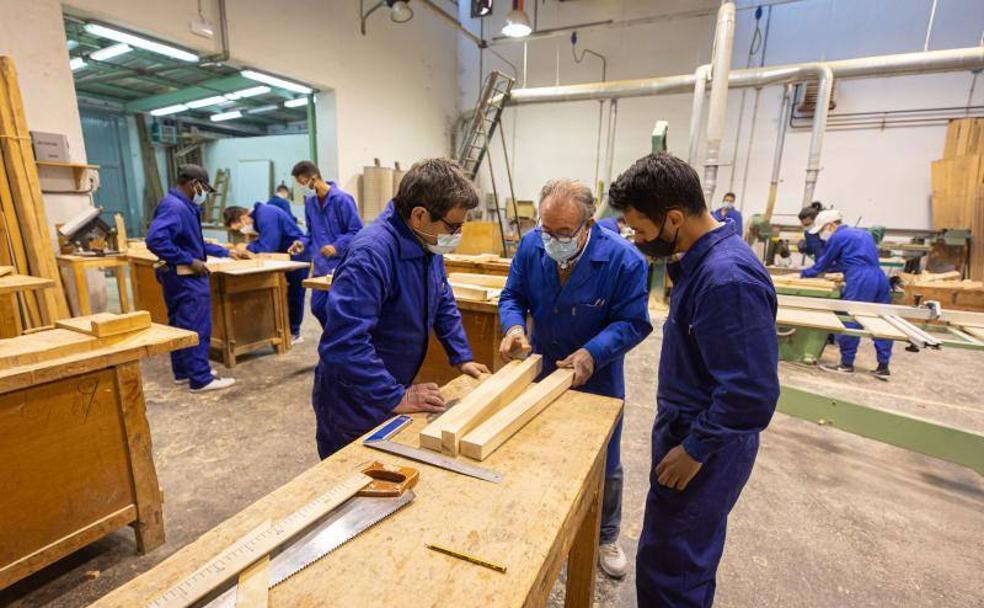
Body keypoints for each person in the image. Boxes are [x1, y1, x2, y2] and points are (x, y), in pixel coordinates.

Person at [609, 152, 779, 607]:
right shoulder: (704, 264)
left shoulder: (726, 280)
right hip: (692, 431)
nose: (639, 240)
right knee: (674, 551)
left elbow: (751, 393)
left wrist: (696, 449)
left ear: (674, 218)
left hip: (706, 444)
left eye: (642, 231)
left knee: (675, 564)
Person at [498, 179, 652, 578]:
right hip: (545, 370)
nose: (552, 239)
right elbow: (512, 295)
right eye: (546, 229)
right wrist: (514, 328)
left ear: (588, 225)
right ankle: (545, 525)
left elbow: (633, 322)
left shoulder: (624, 260)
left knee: (606, 464)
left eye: (563, 233)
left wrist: (592, 353)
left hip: (597, 376)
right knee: (541, 452)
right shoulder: (533, 245)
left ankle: (606, 534)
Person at [312, 158, 490, 458]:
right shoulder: (371, 255)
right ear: (420, 214)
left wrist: (462, 357)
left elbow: (442, 298)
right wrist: (393, 395)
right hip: (354, 399)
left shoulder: (426, 242)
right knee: (352, 482)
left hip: (385, 385)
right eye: (453, 226)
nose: (457, 235)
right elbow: (344, 343)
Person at [146, 164, 249, 392]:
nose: (204, 194)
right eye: (203, 188)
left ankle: (184, 372)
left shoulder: (181, 205)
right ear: (194, 184)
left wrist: (225, 252)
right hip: (185, 277)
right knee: (196, 325)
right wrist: (189, 260)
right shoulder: (175, 208)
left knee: (181, 326)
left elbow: (191, 241)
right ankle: (201, 379)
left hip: (175, 276)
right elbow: (156, 240)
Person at [801, 209, 893, 376]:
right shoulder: (864, 234)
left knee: (850, 318)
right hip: (879, 277)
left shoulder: (838, 236)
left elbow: (824, 264)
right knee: (881, 319)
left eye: (822, 230)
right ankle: (883, 365)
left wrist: (804, 274)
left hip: (860, 279)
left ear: (830, 225)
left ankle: (846, 364)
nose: (823, 234)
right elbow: (852, 260)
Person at [291, 161, 363, 328]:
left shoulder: (342, 200)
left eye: (302, 183)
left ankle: (341, 342)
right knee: (318, 307)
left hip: (342, 265)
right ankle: (335, 338)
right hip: (321, 267)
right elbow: (310, 233)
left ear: (313, 178)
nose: (302, 187)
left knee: (340, 309)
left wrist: (336, 246)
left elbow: (356, 231)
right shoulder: (310, 203)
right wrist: (301, 243)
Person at [222, 203, 309, 343]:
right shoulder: (260, 216)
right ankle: (283, 330)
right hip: (283, 256)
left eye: (239, 227)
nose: (242, 231)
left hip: (297, 255)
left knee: (295, 294)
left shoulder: (265, 215)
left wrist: (247, 247)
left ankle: (294, 332)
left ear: (243, 217)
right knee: (284, 294)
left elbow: (269, 245)